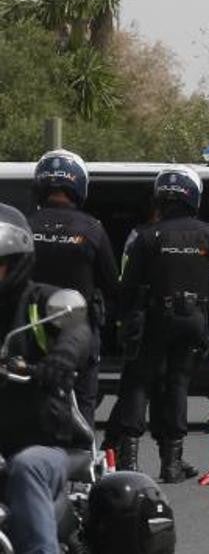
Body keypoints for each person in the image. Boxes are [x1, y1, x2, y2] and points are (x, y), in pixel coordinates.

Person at [110, 166, 209, 483]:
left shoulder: (148, 237)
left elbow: (128, 287)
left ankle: (129, 461)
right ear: (194, 198)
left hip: (155, 317)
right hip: (193, 320)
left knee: (138, 383)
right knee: (177, 385)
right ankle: (171, 464)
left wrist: (125, 319)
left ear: (161, 197)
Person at [0, 204, 93, 554]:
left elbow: (77, 330)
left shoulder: (44, 302)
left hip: (49, 445)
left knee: (28, 467)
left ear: (17, 262)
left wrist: (62, 357)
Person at [28, 149, 119, 420]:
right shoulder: (92, 228)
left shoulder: (24, 225)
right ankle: (82, 457)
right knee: (83, 403)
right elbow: (112, 284)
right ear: (78, 185)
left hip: (29, 329)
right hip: (78, 331)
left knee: (27, 400)